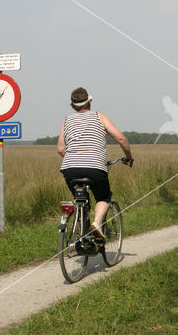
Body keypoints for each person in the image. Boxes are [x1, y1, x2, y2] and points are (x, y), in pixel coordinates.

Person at [58, 87, 133, 242]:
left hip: (69, 168)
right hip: (95, 168)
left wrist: (76, 155)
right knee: (104, 197)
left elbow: (60, 149)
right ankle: (96, 224)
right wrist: (128, 156)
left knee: (80, 199)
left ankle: (80, 227)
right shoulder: (99, 116)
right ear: (89, 102)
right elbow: (121, 139)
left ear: (73, 105)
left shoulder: (67, 120)